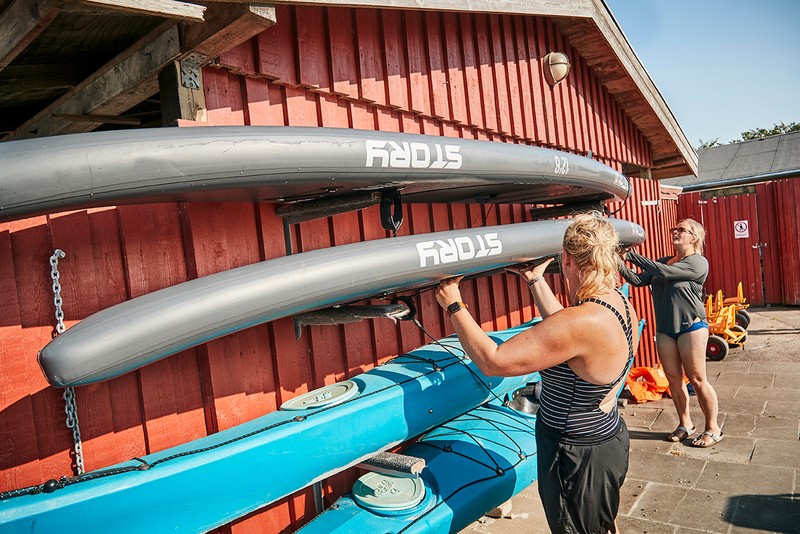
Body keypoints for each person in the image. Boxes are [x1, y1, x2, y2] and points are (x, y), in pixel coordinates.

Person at [435, 213, 638, 534]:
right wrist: (535, 280)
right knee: (599, 524)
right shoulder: (618, 302)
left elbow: (493, 361)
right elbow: (569, 334)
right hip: (607, 440)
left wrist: (454, 304)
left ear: (566, 258)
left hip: (575, 456)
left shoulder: (580, 322)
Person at [619, 218, 723, 448]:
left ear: (693, 237)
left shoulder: (698, 262)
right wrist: (617, 262)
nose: (675, 232)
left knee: (697, 379)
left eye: (681, 230)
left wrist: (632, 256)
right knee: (674, 380)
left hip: (691, 327)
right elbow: (638, 279)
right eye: (674, 229)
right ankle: (685, 424)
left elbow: (664, 272)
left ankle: (713, 428)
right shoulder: (664, 261)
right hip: (666, 329)